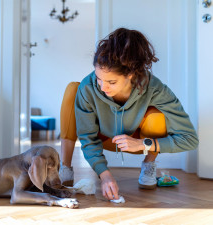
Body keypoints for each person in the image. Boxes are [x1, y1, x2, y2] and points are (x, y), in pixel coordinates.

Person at [58, 28, 199, 201]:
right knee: (73, 89)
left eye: (111, 82)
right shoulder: (88, 87)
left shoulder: (155, 88)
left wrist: (143, 143)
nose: (102, 87)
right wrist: (104, 174)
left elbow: (190, 139)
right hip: (102, 136)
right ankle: (65, 167)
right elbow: (87, 138)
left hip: (136, 142)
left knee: (157, 115)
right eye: (98, 78)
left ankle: (148, 165)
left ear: (131, 74)